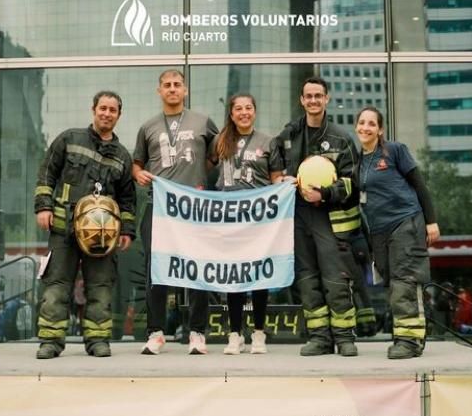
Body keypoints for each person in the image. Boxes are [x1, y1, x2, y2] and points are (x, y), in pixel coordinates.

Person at [33, 90, 136, 359]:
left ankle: (98, 340)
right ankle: (51, 341)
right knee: (57, 284)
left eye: (112, 110)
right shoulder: (69, 139)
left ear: (119, 115)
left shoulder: (123, 156)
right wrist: (43, 207)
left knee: (101, 286)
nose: (107, 114)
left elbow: (127, 198)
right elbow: (47, 173)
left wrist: (126, 230)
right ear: (93, 110)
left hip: (103, 236)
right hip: (63, 227)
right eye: (103, 108)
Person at [133, 69, 218, 355]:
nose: (172, 89)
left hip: (194, 206)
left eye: (177, 84)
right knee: (156, 270)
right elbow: (137, 163)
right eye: (167, 85)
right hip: (159, 208)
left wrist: (202, 179)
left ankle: (197, 333)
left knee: (197, 268)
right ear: (159, 91)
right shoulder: (148, 127)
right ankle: (156, 333)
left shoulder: (203, 122)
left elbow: (220, 153)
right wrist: (138, 174)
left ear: (185, 90)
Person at [272, 77, 359, 357]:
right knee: (307, 278)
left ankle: (345, 337)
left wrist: (324, 194)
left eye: (318, 96)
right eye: (308, 96)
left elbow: (353, 184)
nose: (313, 101)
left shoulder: (340, 138)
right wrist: (278, 178)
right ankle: (320, 338)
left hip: (329, 217)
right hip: (298, 216)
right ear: (301, 100)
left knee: (335, 278)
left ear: (327, 99)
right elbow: (270, 161)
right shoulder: (289, 135)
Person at [355, 106, 440, 359]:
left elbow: (419, 185)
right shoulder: (359, 162)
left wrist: (431, 221)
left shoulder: (394, 150)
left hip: (405, 222)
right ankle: (412, 335)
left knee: (405, 280)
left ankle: (408, 342)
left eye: (372, 123)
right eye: (362, 122)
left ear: (380, 129)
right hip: (379, 232)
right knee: (394, 284)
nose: (366, 127)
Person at [212, 93, 284, 354]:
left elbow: (276, 178)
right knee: (234, 278)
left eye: (248, 108)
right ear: (231, 114)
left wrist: (285, 186)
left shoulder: (269, 142)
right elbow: (207, 173)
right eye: (238, 109)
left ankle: (258, 333)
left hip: (259, 220)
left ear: (255, 111)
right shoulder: (220, 141)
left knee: (257, 277)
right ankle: (234, 334)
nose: (244, 112)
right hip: (229, 220)